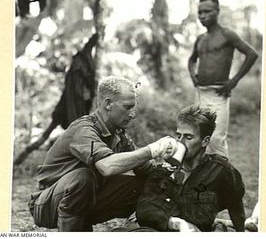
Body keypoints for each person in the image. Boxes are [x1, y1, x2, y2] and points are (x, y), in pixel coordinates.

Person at [28, 76, 177, 231]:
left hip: (81, 199)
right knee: (82, 178)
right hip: (45, 204)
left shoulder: (118, 135)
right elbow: (107, 166)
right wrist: (152, 150)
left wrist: (174, 169)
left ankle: (139, 226)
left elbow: (146, 168)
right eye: (127, 107)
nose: (132, 114)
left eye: (134, 108)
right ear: (107, 104)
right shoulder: (84, 130)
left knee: (144, 183)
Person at [136, 105, 246, 232]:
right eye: (178, 136)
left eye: (188, 137)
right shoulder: (164, 169)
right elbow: (144, 209)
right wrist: (177, 223)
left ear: (205, 141)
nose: (181, 142)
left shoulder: (220, 170)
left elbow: (236, 206)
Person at [188, 0, 258, 157]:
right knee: (198, 137)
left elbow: (251, 54)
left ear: (217, 11)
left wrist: (234, 80)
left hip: (218, 93)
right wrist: (193, 74)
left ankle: (223, 179)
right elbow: (191, 60)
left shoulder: (227, 35)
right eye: (200, 12)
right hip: (200, 93)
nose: (203, 16)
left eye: (208, 11)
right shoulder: (200, 39)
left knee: (216, 139)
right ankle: (204, 178)